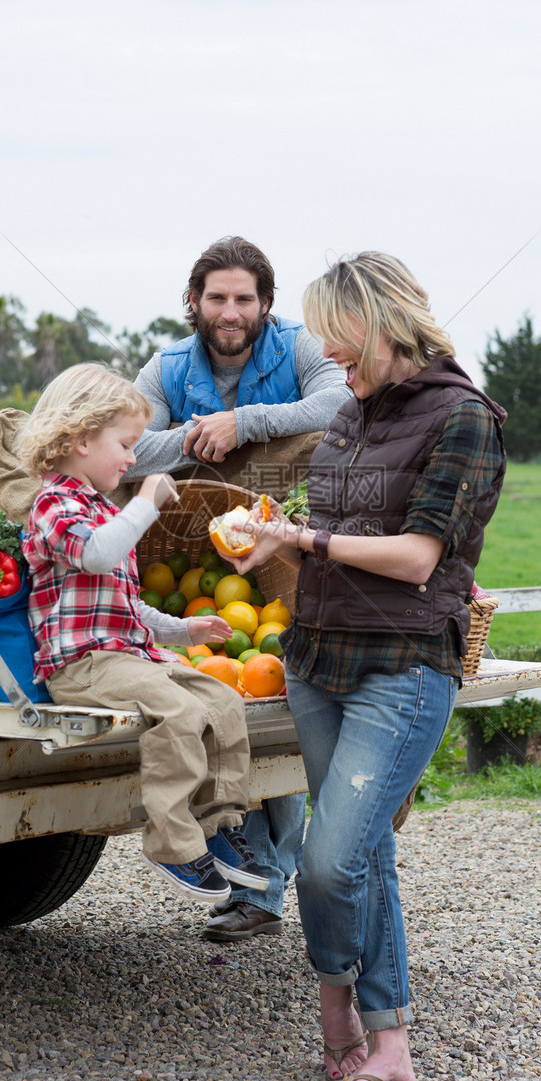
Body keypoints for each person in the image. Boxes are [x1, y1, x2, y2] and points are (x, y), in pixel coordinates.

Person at [227, 252, 507, 1081]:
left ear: (385, 325)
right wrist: (285, 535)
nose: (335, 365)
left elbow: (419, 556)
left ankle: (337, 1007)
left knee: (326, 863)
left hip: (405, 666)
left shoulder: (466, 419)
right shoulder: (352, 414)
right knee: (366, 853)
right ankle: (378, 1040)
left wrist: (309, 544)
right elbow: (342, 523)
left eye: (345, 347)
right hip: (316, 659)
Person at [128, 235, 348, 942]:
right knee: (234, 699)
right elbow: (123, 446)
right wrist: (201, 436)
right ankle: (263, 885)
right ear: (193, 301)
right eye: (216, 297)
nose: (230, 311)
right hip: (192, 554)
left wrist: (244, 423)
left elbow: (339, 406)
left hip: (285, 549)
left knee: (279, 702)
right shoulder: (165, 367)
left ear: (265, 305)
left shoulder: (301, 347)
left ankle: (272, 886)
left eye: (243, 299)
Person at [18, 362, 271, 906]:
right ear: (82, 438)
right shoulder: (52, 506)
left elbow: (128, 606)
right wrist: (145, 502)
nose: (135, 458)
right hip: (83, 666)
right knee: (179, 715)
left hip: (131, 656)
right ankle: (173, 846)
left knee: (223, 702)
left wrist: (184, 628)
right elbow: (96, 553)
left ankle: (217, 826)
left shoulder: (103, 509)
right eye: (127, 444)